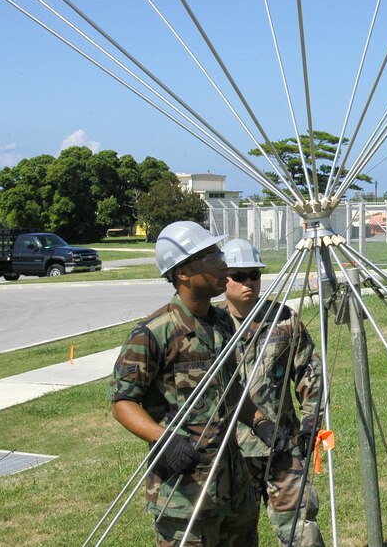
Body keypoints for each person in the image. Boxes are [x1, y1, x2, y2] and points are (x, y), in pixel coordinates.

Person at [108, 221, 281, 547]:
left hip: (235, 491)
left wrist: (259, 421)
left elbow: (231, 388)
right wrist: (164, 440)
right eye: (211, 256)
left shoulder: (222, 325)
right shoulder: (153, 333)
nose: (223, 264)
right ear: (183, 273)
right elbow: (122, 402)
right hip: (185, 495)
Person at [217, 238, 325, 547]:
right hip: (233, 450)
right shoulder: (213, 327)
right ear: (223, 278)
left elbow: (310, 374)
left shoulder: (285, 320)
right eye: (239, 276)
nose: (248, 282)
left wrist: (309, 424)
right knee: (234, 532)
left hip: (283, 445)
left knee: (301, 528)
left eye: (254, 274)